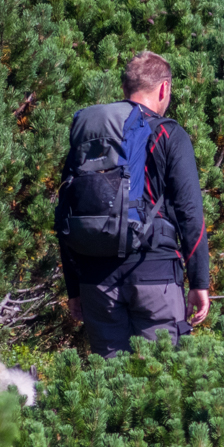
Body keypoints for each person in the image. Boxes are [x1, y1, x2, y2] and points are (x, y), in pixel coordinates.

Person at [55, 51, 210, 357]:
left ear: (125, 88)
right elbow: (190, 211)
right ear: (163, 89)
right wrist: (199, 281)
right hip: (155, 275)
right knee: (161, 379)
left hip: (95, 280)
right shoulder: (168, 133)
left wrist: (74, 287)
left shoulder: (89, 133)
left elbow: (66, 211)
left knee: (112, 385)